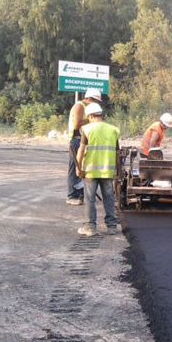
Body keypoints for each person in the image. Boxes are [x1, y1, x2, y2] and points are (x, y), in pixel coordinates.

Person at [75, 103, 120, 236]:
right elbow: (118, 153)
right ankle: (112, 227)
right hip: (107, 170)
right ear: (101, 115)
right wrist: (118, 170)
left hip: (91, 170)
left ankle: (90, 228)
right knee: (109, 197)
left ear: (90, 116)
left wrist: (78, 167)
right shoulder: (113, 129)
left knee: (89, 199)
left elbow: (81, 150)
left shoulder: (87, 129)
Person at [66, 88, 102, 205]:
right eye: (96, 101)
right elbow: (77, 125)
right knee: (75, 168)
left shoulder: (87, 108)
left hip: (83, 139)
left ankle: (81, 194)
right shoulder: (80, 106)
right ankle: (72, 195)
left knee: (84, 168)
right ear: (90, 99)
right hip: (76, 140)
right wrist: (92, 119)